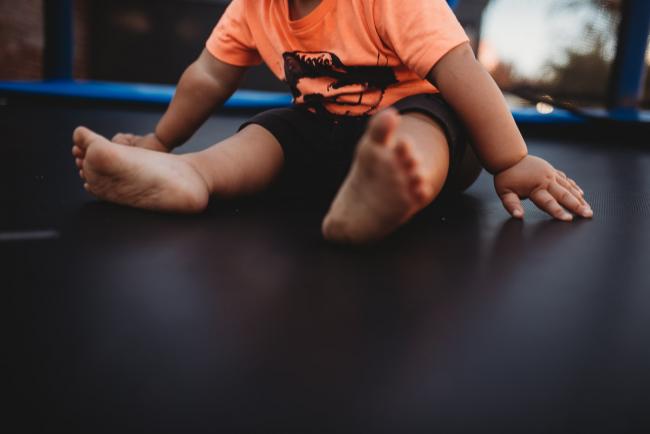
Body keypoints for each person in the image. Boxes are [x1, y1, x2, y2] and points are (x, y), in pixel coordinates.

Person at [72, 0, 592, 244]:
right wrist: (162, 140)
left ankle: (386, 189)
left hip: (421, 120)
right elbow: (208, 76)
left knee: (425, 122)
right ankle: (194, 176)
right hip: (325, 129)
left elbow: (461, 71)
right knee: (272, 129)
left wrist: (511, 160)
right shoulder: (254, 5)